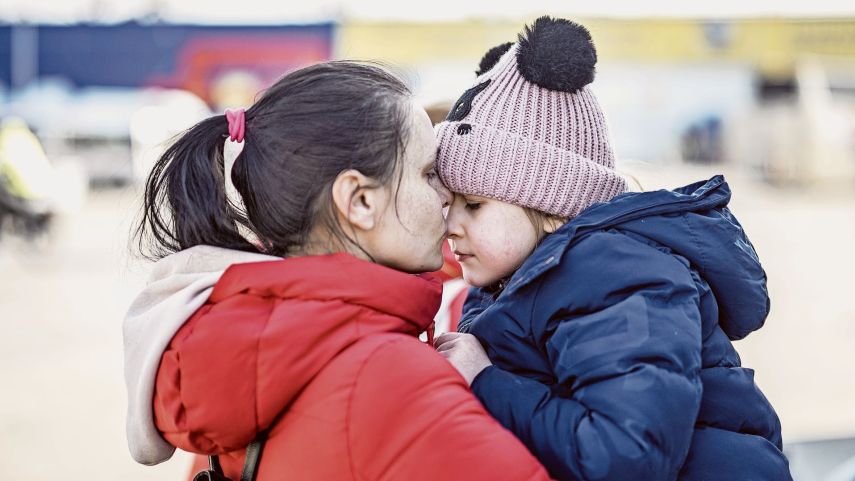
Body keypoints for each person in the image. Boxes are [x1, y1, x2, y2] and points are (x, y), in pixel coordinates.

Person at [123, 60, 552, 481]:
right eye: (427, 174)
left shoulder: (245, 347)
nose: (447, 195)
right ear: (360, 201)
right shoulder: (389, 379)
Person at [433, 16, 793, 481]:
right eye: (448, 203)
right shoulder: (522, 279)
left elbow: (626, 456)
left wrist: (485, 380)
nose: (450, 227)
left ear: (546, 200)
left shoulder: (617, 277)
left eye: (473, 205)